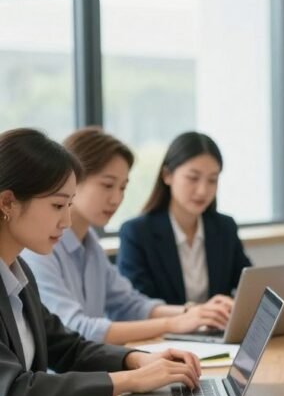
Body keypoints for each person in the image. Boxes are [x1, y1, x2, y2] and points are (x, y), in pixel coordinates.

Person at [0, 129, 202, 396]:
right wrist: (127, 382)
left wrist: (138, 360)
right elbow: (13, 392)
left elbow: (68, 347)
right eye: (57, 206)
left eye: (69, 205)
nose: (66, 221)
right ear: (8, 202)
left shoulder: (19, 274)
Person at [22, 127, 233, 345]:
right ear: (73, 180)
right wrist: (173, 323)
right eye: (107, 185)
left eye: (123, 188)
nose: (116, 199)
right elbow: (74, 328)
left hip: (89, 368)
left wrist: (193, 312)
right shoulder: (40, 248)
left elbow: (129, 304)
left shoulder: (89, 241)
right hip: (66, 376)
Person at [118, 131, 251, 305]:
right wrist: (196, 315)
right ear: (167, 175)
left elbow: (249, 285)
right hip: (165, 331)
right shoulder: (137, 232)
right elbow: (138, 304)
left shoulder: (225, 227)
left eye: (212, 180)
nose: (203, 190)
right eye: (193, 178)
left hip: (218, 330)